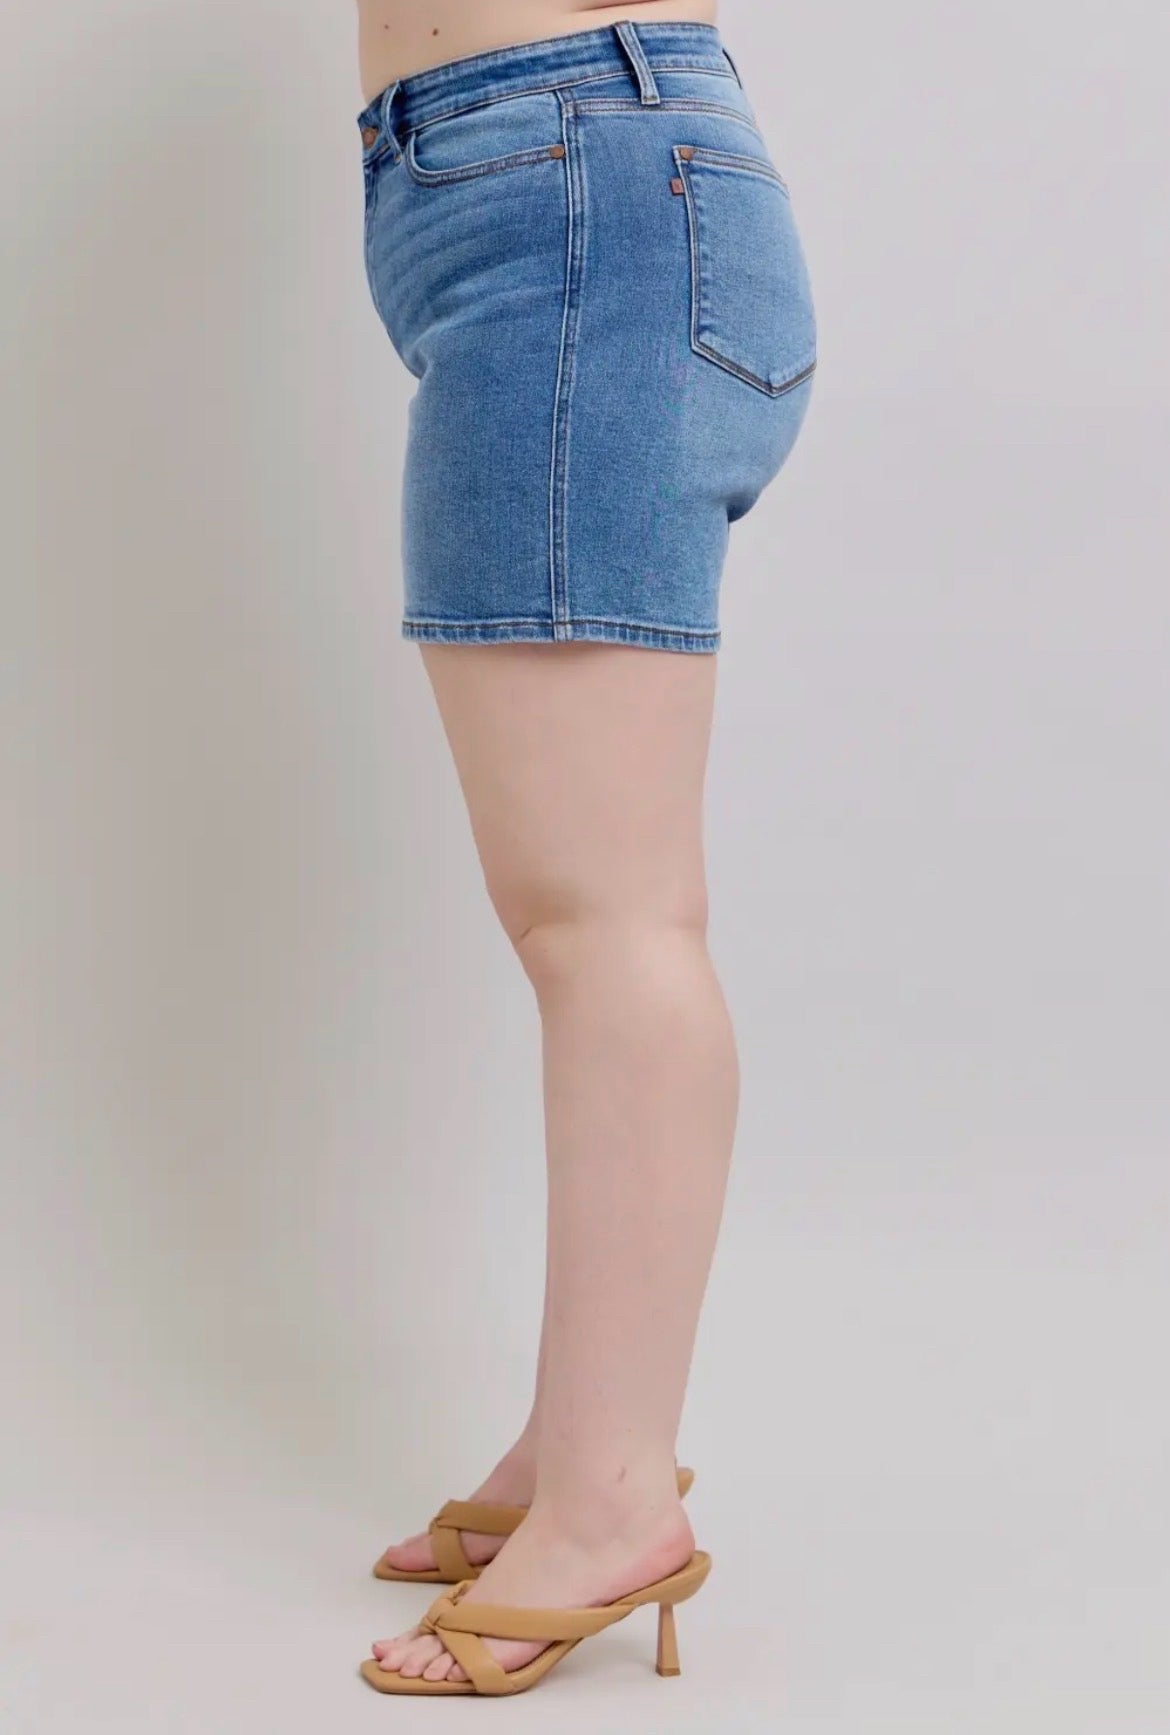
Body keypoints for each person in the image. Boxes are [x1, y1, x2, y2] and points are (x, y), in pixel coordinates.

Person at [353, 0, 816, 1699]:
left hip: (567, 182)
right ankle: (577, 1442)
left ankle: (614, 1498)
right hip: (541, 183)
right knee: (587, 912)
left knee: (604, 919)